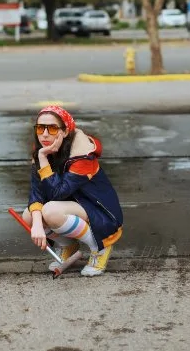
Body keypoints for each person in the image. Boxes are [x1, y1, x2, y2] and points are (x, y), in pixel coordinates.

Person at [22, 106, 124, 277]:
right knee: (28, 216)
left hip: (99, 210)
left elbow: (58, 193)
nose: (45, 134)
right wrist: (37, 224)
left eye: (52, 128)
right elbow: (36, 191)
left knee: (50, 211)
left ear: (65, 131)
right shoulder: (41, 150)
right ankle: (68, 246)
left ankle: (100, 248)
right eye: (40, 128)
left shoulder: (82, 155)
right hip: (69, 206)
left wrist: (43, 159)